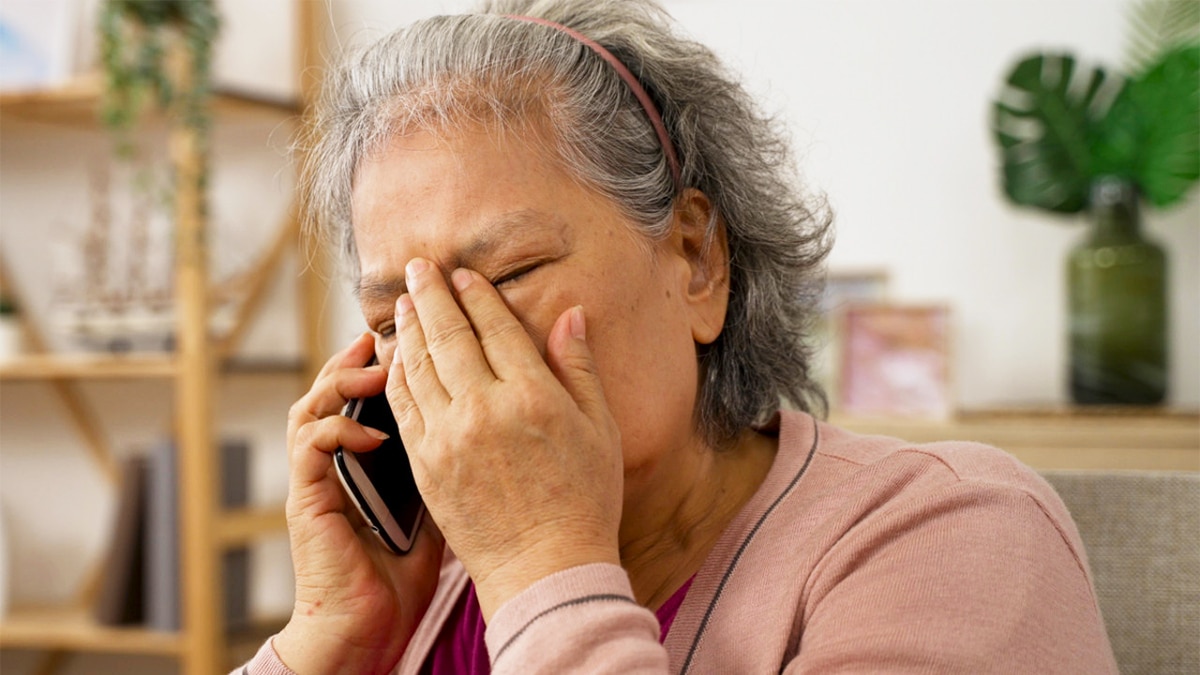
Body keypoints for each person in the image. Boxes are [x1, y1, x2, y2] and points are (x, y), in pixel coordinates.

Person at [240, 0, 1117, 672]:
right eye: (395, 317)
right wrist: (329, 637)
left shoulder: (956, 535)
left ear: (696, 259)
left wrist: (542, 566)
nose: (446, 353)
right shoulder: (428, 588)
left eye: (506, 276)